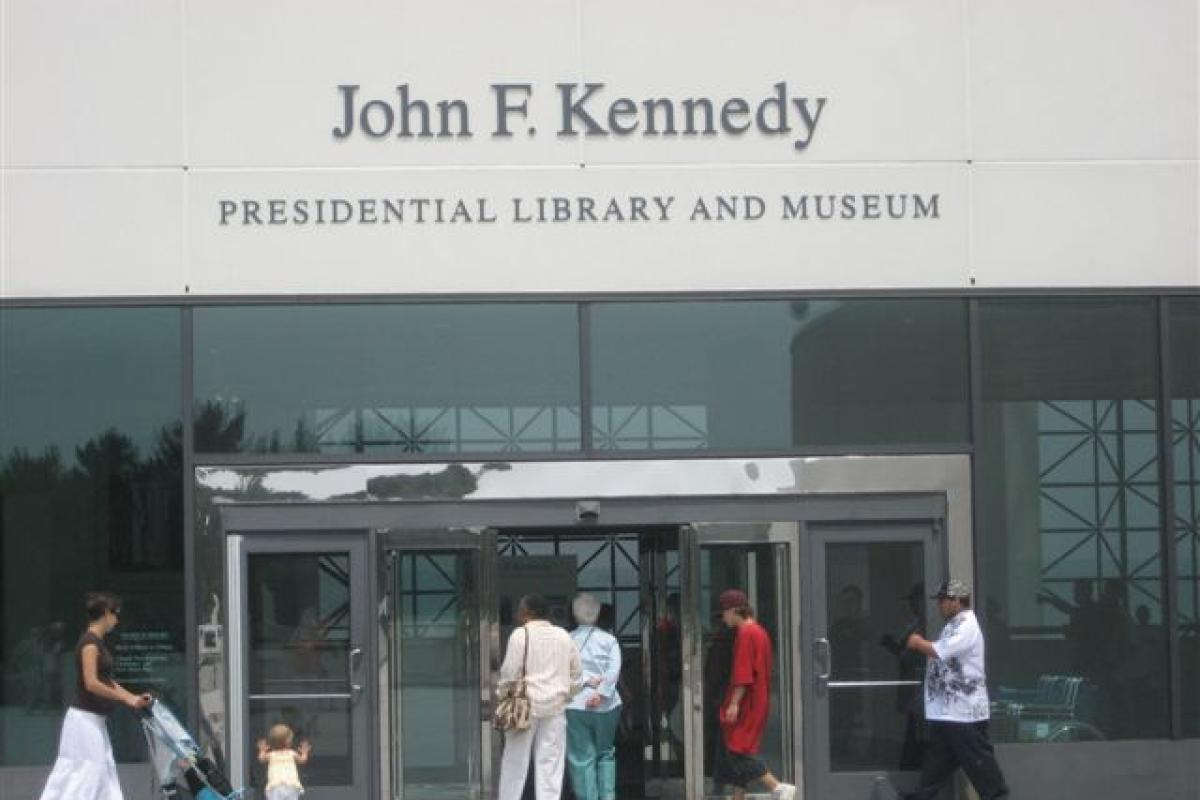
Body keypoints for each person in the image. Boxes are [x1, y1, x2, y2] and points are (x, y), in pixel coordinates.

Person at [37, 591, 153, 800]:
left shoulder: (97, 643)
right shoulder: (90, 644)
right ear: (106, 614)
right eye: (116, 614)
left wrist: (133, 698)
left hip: (94, 721)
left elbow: (108, 681)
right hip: (84, 721)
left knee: (104, 772)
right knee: (87, 773)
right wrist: (126, 699)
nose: (117, 620)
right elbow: (92, 683)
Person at [903, 580, 1008, 800]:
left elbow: (940, 651)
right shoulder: (953, 623)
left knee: (980, 765)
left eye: (943, 600)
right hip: (947, 713)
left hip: (964, 714)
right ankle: (922, 796)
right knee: (936, 765)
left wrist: (917, 641)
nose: (939, 605)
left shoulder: (967, 625)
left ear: (957, 601)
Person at [713, 589, 796, 800]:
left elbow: (743, 673)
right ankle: (738, 796)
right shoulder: (760, 632)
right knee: (740, 749)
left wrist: (734, 703)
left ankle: (777, 787)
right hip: (758, 700)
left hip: (747, 703)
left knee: (736, 752)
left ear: (734, 610)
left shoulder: (746, 634)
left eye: (724, 613)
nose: (723, 619)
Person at [497, 593, 582, 800]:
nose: (517, 613)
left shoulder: (520, 635)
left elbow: (509, 672)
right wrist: (566, 695)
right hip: (555, 708)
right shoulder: (563, 636)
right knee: (550, 764)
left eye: (520, 609)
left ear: (528, 613)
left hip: (524, 706)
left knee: (515, 762)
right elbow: (577, 674)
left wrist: (502, 695)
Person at [566, 593, 623, 800]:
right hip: (607, 706)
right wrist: (601, 693)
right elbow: (614, 669)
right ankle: (608, 797)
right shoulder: (610, 640)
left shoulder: (566, 640)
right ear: (598, 614)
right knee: (606, 753)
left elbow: (562, 671)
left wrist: (583, 683)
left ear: (574, 614)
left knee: (581, 757)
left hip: (575, 705)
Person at [256, 722, 312, 800]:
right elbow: (302, 760)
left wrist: (262, 751)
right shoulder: (291, 753)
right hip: (290, 784)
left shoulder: (272, 754)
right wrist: (304, 752)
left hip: (275, 785)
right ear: (288, 742)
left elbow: (261, 759)